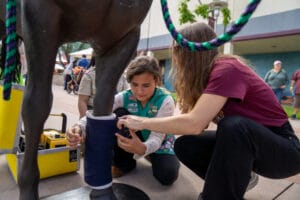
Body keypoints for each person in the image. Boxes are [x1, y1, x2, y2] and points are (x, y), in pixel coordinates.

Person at [117, 22, 300, 200]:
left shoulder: (227, 69)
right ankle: (235, 183)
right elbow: (193, 124)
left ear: (192, 51)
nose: (176, 57)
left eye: (178, 50)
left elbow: (194, 124)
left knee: (233, 126)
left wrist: (141, 122)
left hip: (284, 150)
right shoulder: (207, 78)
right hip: (250, 146)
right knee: (186, 145)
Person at [67, 56, 180, 186]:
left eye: (146, 85)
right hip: (136, 138)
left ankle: (151, 154)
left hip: (160, 142)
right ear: (129, 82)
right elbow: (99, 112)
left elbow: (158, 136)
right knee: (119, 114)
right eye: (134, 84)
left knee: (167, 175)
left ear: (157, 81)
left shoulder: (166, 100)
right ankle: (124, 164)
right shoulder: (125, 96)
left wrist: (144, 148)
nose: (139, 91)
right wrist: (79, 127)